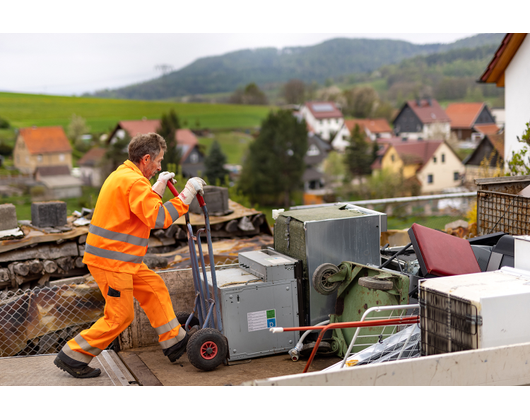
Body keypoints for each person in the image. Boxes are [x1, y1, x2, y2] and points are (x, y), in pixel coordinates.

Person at [54, 132, 206, 378]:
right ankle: (73, 355)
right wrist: (186, 195)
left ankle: (173, 340)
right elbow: (157, 218)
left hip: (121, 259)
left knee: (154, 287)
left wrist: (155, 188)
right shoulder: (134, 182)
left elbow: (140, 208)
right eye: (158, 161)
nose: (159, 166)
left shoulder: (124, 175)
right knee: (119, 317)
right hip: (112, 262)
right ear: (146, 159)